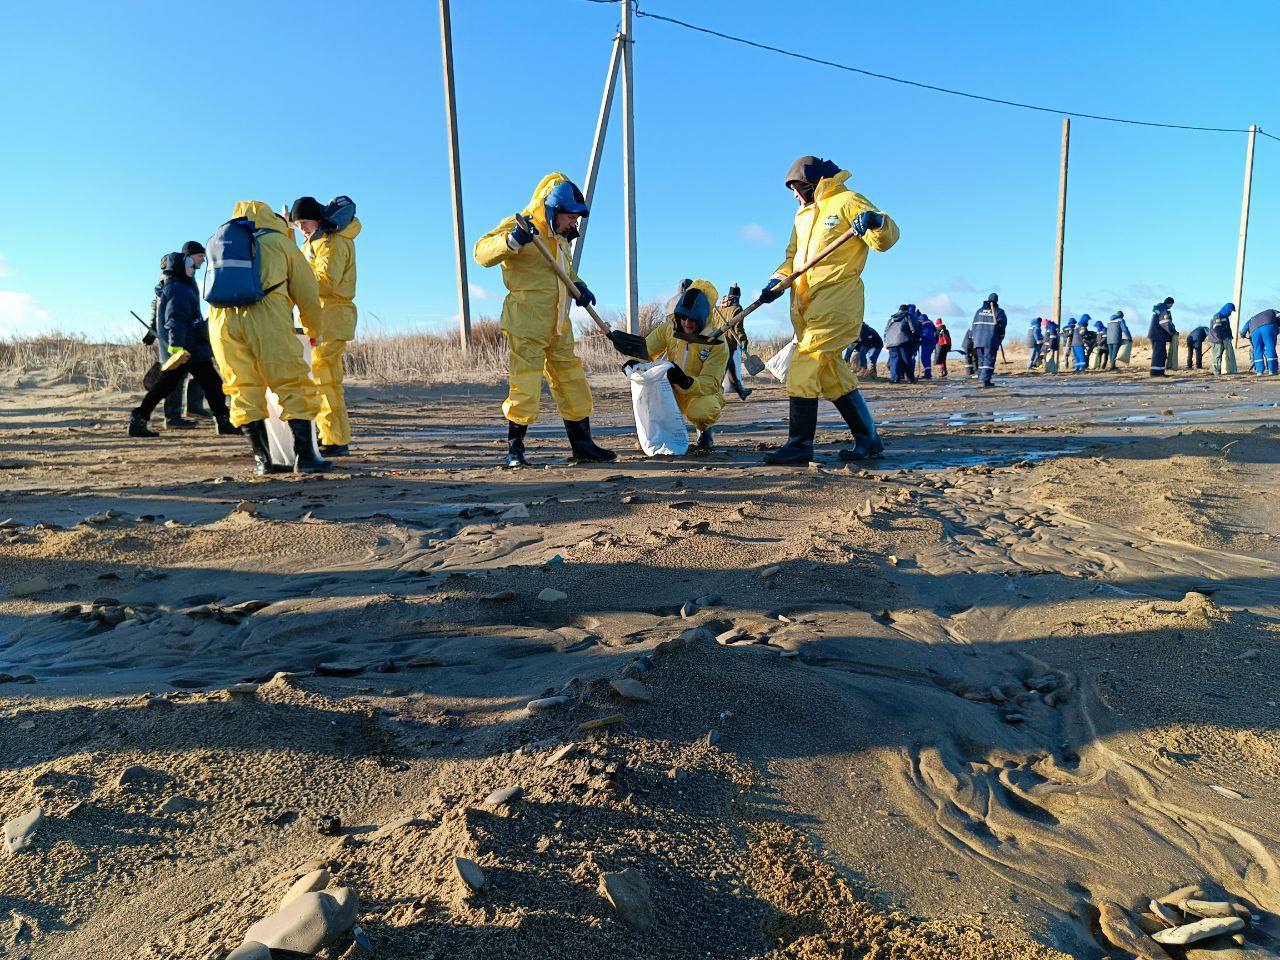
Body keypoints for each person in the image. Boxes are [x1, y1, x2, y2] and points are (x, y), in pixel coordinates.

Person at [757, 155, 898, 464]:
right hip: (807, 306)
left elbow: (887, 238)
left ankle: (799, 445)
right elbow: (792, 258)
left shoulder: (847, 200)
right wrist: (776, 282)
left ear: (811, 183)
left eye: (796, 188)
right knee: (833, 376)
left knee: (804, 365)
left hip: (838, 301)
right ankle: (869, 439)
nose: (793, 195)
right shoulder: (802, 217)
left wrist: (876, 222)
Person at [474, 173, 616, 467]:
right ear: (553, 209)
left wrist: (579, 286)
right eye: (571, 217)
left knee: (572, 381)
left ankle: (583, 446)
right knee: (525, 385)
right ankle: (515, 450)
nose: (574, 224)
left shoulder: (559, 240)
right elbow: (481, 253)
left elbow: (561, 273)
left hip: (559, 326)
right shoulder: (523, 227)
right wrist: (512, 241)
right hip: (526, 323)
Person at [207, 201, 330, 475]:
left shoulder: (220, 241)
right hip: (266, 316)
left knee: (242, 388)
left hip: (221, 322)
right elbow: (307, 291)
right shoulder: (279, 242)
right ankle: (306, 458)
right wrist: (313, 330)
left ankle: (263, 461)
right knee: (292, 382)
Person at [129, 252, 239, 438]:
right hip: (186, 349)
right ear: (180, 267)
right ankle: (138, 419)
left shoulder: (183, 286)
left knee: (210, 384)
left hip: (193, 348)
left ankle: (223, 421)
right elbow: (175, 319)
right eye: (189, 265)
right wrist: (176, 346)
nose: (193, 268)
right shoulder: (177, 288)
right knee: (169, 386)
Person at [290, 196, 361, 458]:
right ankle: (333, 437)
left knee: (324, 380)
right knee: (324, 380)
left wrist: (294, 280)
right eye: (297, 225)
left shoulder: (333, 243)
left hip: (331, 318)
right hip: (320, 318)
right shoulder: (316, 242)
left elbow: (327, 281)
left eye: (304, 223)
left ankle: (334, 440)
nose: (302, 229)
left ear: (317, 219)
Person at [631, 279, 728, 451]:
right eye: (683, 317)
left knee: (701, 412)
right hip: (670, 390)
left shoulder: (717, 342)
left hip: (700, 393)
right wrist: (636, 362)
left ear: (703, 317)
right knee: (648, 395)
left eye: (693, 319)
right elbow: (646, 350)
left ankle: (704, 431)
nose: (687, 323)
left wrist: (686, 382)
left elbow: (712, 382)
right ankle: (658, 436)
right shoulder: (669, 329)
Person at [154, 240, 212, 426]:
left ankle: (194, 407)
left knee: (201, 364)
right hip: (174, 332)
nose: (203, 260)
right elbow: (161, 304)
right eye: (200, 256)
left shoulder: (189, 275)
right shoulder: (171, 277)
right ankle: (172, 416)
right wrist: (154, 327)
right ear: (189, 256)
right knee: (176, 373)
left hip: (190, 329)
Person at [715, 287, 753, 401]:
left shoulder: (719, 308)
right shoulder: (736, 308)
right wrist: (743, 341)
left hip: (716, 341)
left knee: (730, 366)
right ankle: (712, 394)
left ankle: (740, 390)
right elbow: (739, 328)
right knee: (722, 369)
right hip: (728, 343)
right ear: (738, 296)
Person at [970, 293, 1006, 387]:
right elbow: (1002, 327)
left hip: (977, 340)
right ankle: (985, 380)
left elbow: (973, 326)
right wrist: (1000, 338)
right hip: (990, 340)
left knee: (981, 360)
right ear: (997, 301)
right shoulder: (998, 312)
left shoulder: (979, 311)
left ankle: (981, 377)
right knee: (989, 360)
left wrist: (974, 339)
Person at [1241, 308, 1280, 375]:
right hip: (1268, 327)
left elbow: (1244, 329)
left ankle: (1259, 371)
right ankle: (1272, 370)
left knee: (1257, 350)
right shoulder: (1273, 311)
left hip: (1254, 331)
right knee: (1270, 347)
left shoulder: (1253, 318)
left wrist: (1243, 335)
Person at [883, 305, 914, 383]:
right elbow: (913, 329)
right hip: (903, 341)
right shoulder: (907, 317)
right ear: (906, 310)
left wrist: (887, 341)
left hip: (891, 342)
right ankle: (910, 378)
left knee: (894, 361)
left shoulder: (891, 319)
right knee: (906, 360)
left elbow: (885, 331)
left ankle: (894, 379)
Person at [1148, 297, 1175, 377]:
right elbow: (1165, 323)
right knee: (1159, 354)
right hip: (1158, 335)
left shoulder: (1160, 309)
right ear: (1170, 303)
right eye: (1172, 304)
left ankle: (1160, 372)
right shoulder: (1163, 310)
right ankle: (1155, 373)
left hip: (1156, 335)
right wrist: (1172, 332)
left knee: (1161, 354)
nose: (1172, 306)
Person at [1208, 303, 1237, 375]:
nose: (1230, 313)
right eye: (1230, 311)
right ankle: (1216, 372)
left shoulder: (1225, 317)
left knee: (1229, 354)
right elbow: (1217, 329)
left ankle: (1231, 371)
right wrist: (1221, 338)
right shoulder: (1217, 316)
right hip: (1216, 340)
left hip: (1224, 339)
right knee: (1217, 356)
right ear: (1227, 309)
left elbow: (1227, 329)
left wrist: (1230, 336)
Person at [917, 309, 937, 379]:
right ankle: (928, 373)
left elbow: (918, 332)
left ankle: (928, 374)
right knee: (927, 358)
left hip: (925, 341)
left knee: (924, 358)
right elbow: (935, 330)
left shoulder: (920, 322)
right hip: (932, 342)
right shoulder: (930, 321)